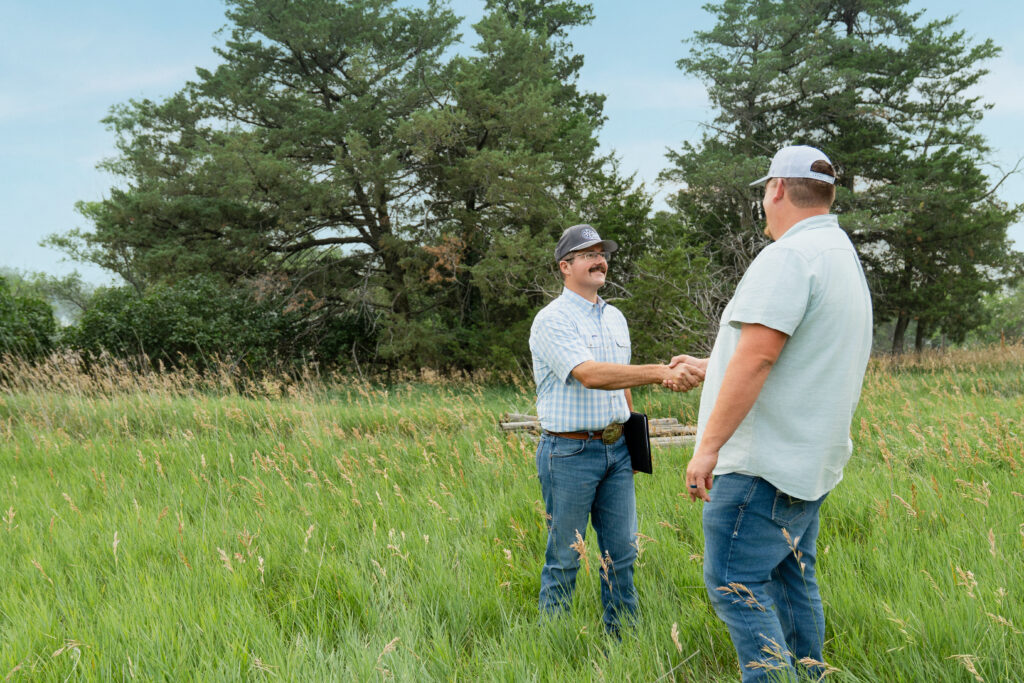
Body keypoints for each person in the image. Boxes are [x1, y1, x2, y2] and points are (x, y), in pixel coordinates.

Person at [671, 146, 872, 680]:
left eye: (765, 191)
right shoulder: (839, 254)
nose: (764, 201)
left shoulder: (789, 256)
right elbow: (786, 348)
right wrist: (713, 364)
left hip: (763, 464)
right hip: (809, 462)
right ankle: (809, 674)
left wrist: (707, 447)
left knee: (735, 585)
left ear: (778, 189)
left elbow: (760, 356)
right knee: (791, 578)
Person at [529, 223, 704, 635]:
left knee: (622, 551)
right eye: (588, 254)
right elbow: (589, 374)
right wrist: (663, 372)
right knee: (566, 555)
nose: (599, 260)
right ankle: (552, 642)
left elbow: (620, 382)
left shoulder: (616, 318)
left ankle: (623, 637)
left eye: (601, 253)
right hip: (568, 452)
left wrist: (630, 427)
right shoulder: (551, 320)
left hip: (616, 450)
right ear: (564, 267)